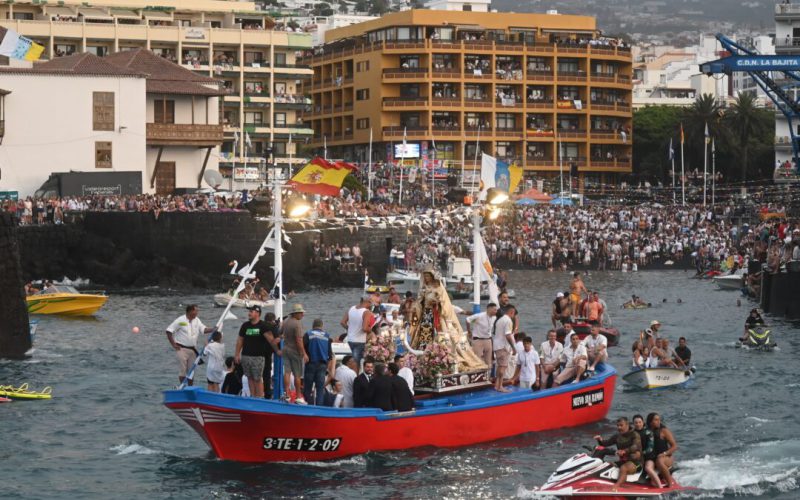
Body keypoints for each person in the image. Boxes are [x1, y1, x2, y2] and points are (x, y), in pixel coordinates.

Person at [165, 304, 215, 386]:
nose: (197, 313)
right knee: (183, 370)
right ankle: (182, 387)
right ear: (190, 311)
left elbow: (203, 329)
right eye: (196, 311)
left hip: (193, 349)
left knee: (191, 371)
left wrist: (213, 329)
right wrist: (173, 344)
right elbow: (169, 331)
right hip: (181, 348)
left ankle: (190, 387)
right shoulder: (180, 320)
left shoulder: (197, 320)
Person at [594, 417, 642, 491]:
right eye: (618, 425)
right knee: (606, 465)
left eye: (621, 425)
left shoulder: (635, 434)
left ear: (627, 425)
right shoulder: (617, 436)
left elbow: (636, 446)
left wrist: (624, 451)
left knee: (624, 468)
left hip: (636, 463)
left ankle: (617, 486)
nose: (619, 427)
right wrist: (600, 440)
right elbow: (606, 443)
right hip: (622, 461)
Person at [234, 305, 272, 398]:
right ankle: (253, 396)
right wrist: (237, 354)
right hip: (246, 356)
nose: (249, 313)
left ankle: (259, 398)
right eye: (249, 311)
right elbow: (240, 340)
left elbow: (271, 340)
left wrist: (278, 350)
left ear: (258, 313)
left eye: (251, 311)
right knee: (249, 377)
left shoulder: (263, 326)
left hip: (258, 357)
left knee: (258, 379)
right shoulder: (245, 325)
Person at [281, 303, 309, 404]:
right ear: (296, 313)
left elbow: (280, 333)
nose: (302, 314)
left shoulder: (286, 321)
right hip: (294, 351)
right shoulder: (297, 324)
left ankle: (287, 394)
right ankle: (298, 396)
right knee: (297, 374)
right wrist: (304, 353)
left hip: (285, 349)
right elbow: (299, 340)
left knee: (287, 372)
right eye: (301, 313)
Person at [302, 318, 335, 406]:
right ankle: (319, 407)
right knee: (320, 389)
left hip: (311, 364)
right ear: (322, 326)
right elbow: (330, 354)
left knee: (307, 388)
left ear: (313, 326)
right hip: (322, 365)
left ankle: (307, 405)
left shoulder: (308, 334)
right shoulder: (327, 336)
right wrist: (327, 367)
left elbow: (302, 347)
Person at [647, 412, 679, 487]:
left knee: (659, 460)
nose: (659, 421)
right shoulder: (646, 430)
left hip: (666, 457)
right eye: (656, 420)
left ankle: (670, 484)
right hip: (652, 458)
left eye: (659, 420)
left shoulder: (664, 431)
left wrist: (664, 453)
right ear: (650, 422)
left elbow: (674, 446)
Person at [341, 296, 372, 368]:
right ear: (367, 302)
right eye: (370, 303)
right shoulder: (366, 312)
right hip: (359, 341)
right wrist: (370, 329)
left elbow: (342, 322)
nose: (371, 305)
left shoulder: (351, 308)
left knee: (349, 362)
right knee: (356, 363)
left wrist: (350, 329)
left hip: (350, 339)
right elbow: (365, 328)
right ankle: (355, 377)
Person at [493, 305, 518, 392]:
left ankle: (497, 385)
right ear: (511, 312)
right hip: (503, 346)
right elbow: (508, 335)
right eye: (514, 314)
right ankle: (500, 386)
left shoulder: (499, 320)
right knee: (503, 367)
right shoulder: (508, 321)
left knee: (500, 366)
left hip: (496, 346)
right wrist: (513, 347)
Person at [466, 302, 498, 368]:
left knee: (489, 361)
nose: (496, 311)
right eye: (495, 309)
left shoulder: (494, 317)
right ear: (489, 309)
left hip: (488, 340)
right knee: (477, 359)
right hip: (478, 340)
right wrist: (469, 331)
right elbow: (467, 319)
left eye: (496, 310)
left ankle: (487, 376)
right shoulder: (480, 315)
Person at [633, 414, 660, 488]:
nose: (638, 424)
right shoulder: (632, 433)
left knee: (648, 468)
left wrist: (640, 453)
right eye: (636, 422)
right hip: (637, 457)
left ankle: (660, 487)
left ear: (643, 422)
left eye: (639, 422)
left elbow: (650, 448)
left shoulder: (648, 432)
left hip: (649, 457)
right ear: (633, 424)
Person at [261, 312, 282, 399]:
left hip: (257, 353)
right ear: (273, 320)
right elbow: (277, 340)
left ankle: (258, 394)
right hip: (267, 353)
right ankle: (267, 394)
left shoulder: (261, 325)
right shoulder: (272, 327)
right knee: (266, 374)